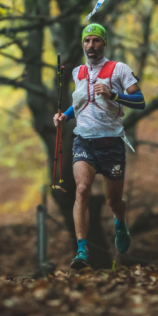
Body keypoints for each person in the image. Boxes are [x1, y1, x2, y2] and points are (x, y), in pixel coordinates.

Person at [53, 24, 145, 270]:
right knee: (82, 189)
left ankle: (120, 221)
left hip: (111, 144)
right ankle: (81, 250)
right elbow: (81, 104)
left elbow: (140, 101)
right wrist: (65, 116)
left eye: (95, 41)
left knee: (114, 201)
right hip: (84, 141)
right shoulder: (77, 72)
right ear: (82, 44)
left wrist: (114, 95)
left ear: (104, 44)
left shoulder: (119, 69)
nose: (90, 46)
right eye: (87, 41)